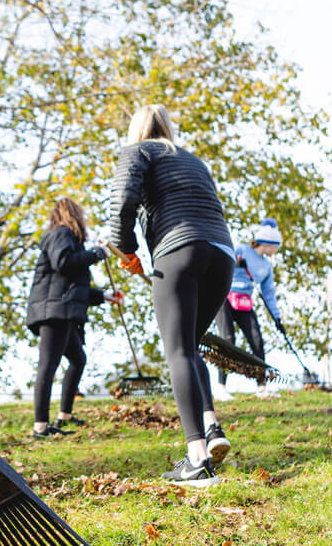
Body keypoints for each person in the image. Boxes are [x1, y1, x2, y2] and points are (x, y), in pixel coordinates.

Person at [110, 104, 235, 487]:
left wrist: (125, 249)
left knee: (177, 350)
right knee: (191, 345)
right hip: (222, 253)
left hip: (179, 250)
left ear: (137, 130)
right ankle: (212, 427)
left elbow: (122, 204)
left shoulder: (137, 151)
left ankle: (197, 460)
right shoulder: (193, 159)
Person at [26, 197, 122, 438]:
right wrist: (96, 253)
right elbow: (64, 264)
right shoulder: (61, 234)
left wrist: (105, 296)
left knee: (78, 359)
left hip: (62, 308)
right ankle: (40, 427)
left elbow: (75, 289)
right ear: (72, 215)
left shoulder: (69, 241)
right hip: (54, 311)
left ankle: (64, 416)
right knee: (48, 366)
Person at [212, 218, 284, 389]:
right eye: (276, 246)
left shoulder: (266, 266)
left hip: (244, 303)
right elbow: (220, 261)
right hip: (224, 298)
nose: (277, 250)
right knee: (228, 341)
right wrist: (233, 264)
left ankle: (261, 386)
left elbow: (268, 293)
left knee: (257, 341)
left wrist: (277, 318)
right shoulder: (241, 249)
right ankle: (221, 387)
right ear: (269, 243)